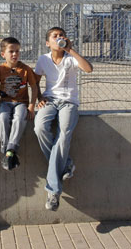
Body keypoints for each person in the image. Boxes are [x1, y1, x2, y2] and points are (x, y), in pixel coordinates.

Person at [33, 27, 93, 211]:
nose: (59, 38)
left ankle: (53, 191)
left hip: (69, 102)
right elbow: (34, 81)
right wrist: (39, 98)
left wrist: (70, 49)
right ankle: (65, 164)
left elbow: (89, 69)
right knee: (40, 128)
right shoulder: (43, 59)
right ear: (47, 43)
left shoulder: (70, 58)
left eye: (61, 35)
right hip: (50, 100)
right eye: (54, 36)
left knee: (64, 135)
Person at [0, 37, 37, 171]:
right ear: (3, 54)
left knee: (20, 118)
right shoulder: (0, 70)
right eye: (11, 51)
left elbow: (34, 87)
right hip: (5, 103)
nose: (15, 54)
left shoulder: (25, 69)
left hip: (21, 103)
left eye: (17, 51)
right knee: (2, 118)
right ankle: (8, 150)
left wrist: (31, 106)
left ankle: (10, 150)